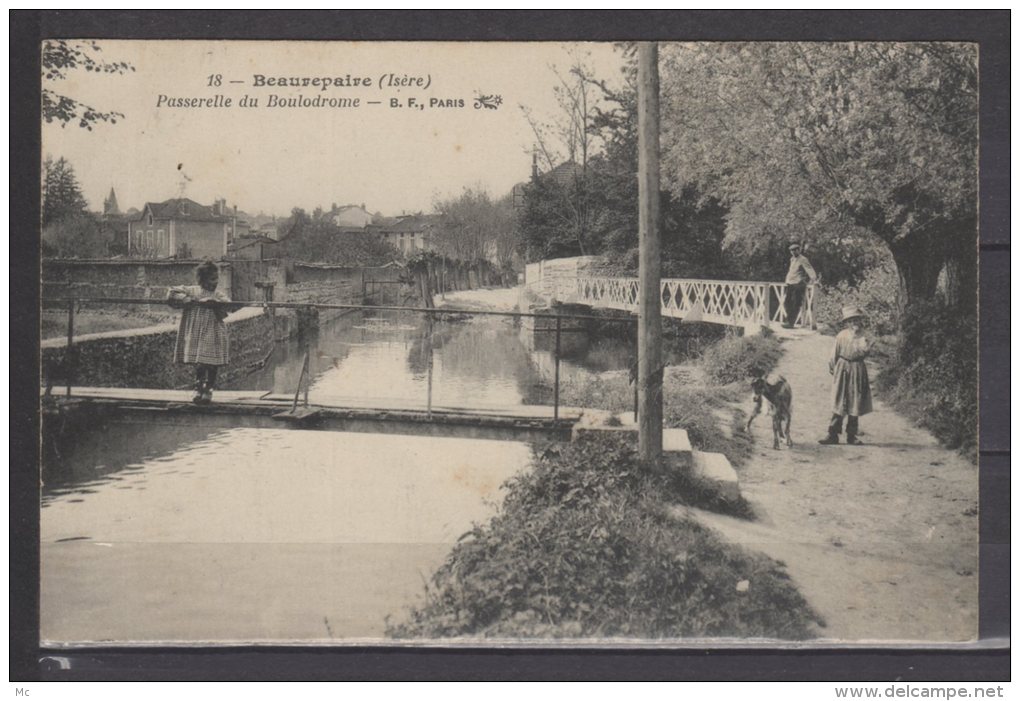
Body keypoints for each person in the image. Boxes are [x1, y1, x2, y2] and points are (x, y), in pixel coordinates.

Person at [167, 260, 231, 404]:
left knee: (212, 363)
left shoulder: (218, 295)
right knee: (200, 362)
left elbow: (228, 306)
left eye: (216, 279)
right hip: (196, 332)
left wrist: (216, 305)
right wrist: (186, 299)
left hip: (213, 332)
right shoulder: (192, 291)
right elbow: (172, 292)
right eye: (211, 279)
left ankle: (209, 387)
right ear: (202, 279)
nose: (215, 282)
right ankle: (198, 387)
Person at [819, 306, 873, 445]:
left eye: (857, 319)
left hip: (857, 368)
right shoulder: (842, 335)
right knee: (839, 401)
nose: (854, 323)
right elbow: (834, 353)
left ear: (861, 321)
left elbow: (864, 351)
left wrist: (860, 339)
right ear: (847, 322)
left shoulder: (865, 336)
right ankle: (832, 434)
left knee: (854, 401)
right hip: (842, 367)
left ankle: (851, 435)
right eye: (851, 320)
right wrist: (833, 366)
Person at [783, 242, 818, 328]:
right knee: (787, 303)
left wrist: (814, 279)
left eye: (795, 250)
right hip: (790, 283)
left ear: (799, 250)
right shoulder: (792, 259)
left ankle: (790, 323)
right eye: (791, 250)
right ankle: (788, 321)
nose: (793, 252)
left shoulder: (803, 259)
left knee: (796, 303)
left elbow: (809, 269)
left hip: (798, 283)